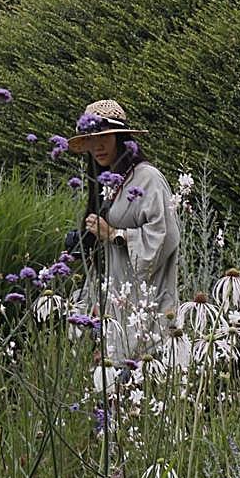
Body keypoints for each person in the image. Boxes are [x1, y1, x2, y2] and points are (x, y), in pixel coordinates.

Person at [67, 100, 180, 357]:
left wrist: (116, 235)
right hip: (112, 307)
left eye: (104, 138)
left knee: (142, 376)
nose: (97, 147)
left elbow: (166, 236)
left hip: (146, 308)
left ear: (120, 137)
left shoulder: (147, 178)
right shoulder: (105, 182)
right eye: (91, 140)